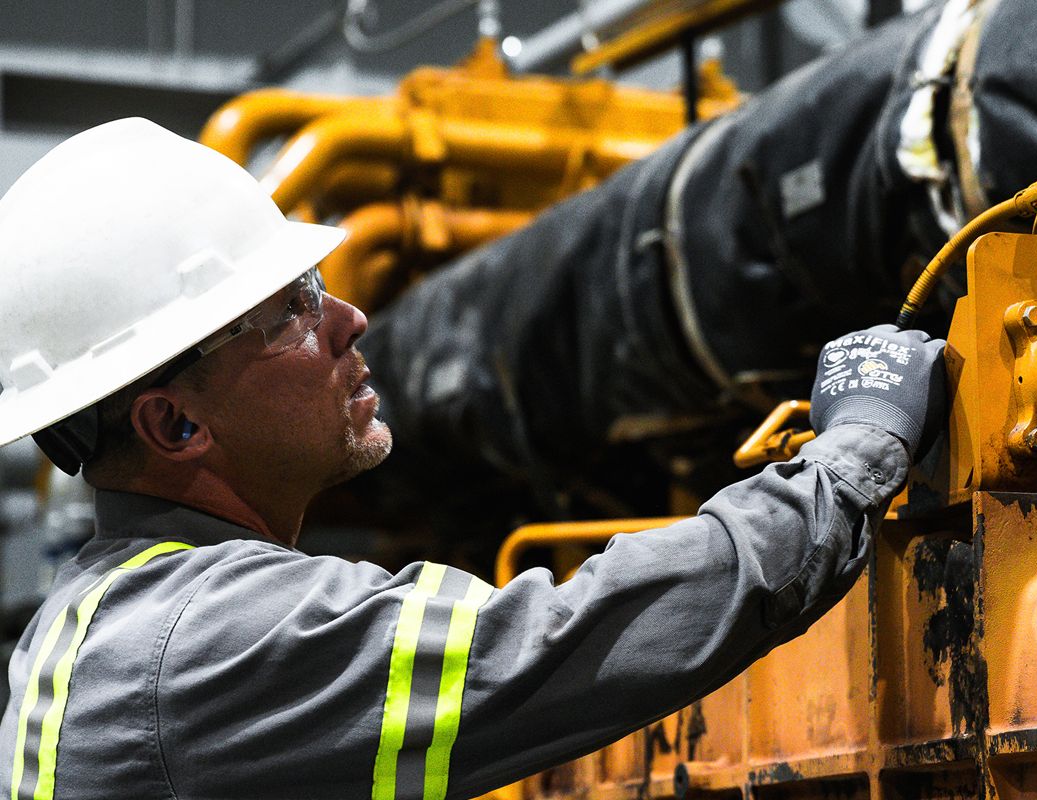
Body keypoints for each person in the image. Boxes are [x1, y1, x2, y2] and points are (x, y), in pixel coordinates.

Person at [0, 118, 945, 800]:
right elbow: (563, 639)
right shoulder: (204, 643)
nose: (348, 319)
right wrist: (847, 459)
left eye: (316, 285)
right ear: (173, 425)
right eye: (290, 311)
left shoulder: (98, 617)